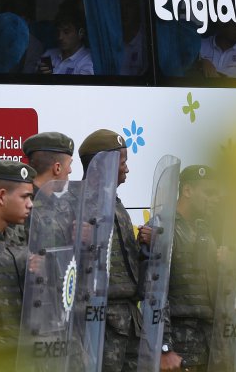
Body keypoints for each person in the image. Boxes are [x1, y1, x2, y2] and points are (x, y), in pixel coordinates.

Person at [78, 129, 144, 371]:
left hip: (130, 320)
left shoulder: (117, 205)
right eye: (122, 161)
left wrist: (146, 246)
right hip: (99, 321)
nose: (126, 169)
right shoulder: (77, 204)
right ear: (103, 164)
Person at [160, 165, 220, 372]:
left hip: (207, 346)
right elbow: (157, 295)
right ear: (187, 191)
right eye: (209, 193)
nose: (215, 200)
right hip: (179, 349)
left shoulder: (205, 231)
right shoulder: (164, 228)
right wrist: (164, 348)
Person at [0, 160, 35, 370]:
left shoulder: (21, 237)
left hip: (25, 356)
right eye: (25, 196)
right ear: (2, 196)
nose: (30, 204)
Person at [8, 131, 75, 245]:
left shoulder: (60, 205)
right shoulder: (21, 205)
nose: (70, 170)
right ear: (57, 168)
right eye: (69, 164)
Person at [38, 8, 94, 75]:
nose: (60, 37)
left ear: (81, 33)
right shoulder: (49, 54)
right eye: (58, 32)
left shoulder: (88, 60)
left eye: (66, 32)